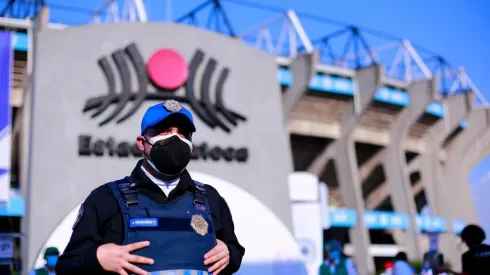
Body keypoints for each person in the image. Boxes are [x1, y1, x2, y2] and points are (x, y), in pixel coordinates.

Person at [56, 100, 245, 275]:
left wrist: (229, 253)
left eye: (182, 133)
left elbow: (234, 251)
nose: (175, 138)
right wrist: (97, 257)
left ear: (191, 145)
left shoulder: (210, 198)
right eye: (164, 130)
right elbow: (66, 265)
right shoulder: (105, 199)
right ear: (141, 143)